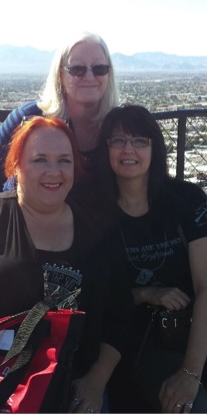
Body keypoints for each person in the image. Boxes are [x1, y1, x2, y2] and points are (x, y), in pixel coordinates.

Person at [0, 116, 133, 414]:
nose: (54, 172)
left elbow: (120, 314)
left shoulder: (98, 231)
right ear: (16, 166)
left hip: (71, 393)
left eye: (64, 160)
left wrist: (96, 381)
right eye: (39, 160)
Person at [96, 104, 207, 413]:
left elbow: (205, 286)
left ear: (153, 148)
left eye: (140, 140)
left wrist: (190, 373)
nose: (128, 149)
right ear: (105, 149)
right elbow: (98, 298)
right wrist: (145, 293)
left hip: (196, 335)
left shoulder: (187, 200)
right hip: (141, 345)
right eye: (117, 140)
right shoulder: (95, 215)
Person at [0, 31, 119, 195]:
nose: (89, 76)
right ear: (60, 74)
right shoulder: (26, 120)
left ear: (109, 74)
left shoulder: (120, 128)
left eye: (99, 68)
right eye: (77, 69)